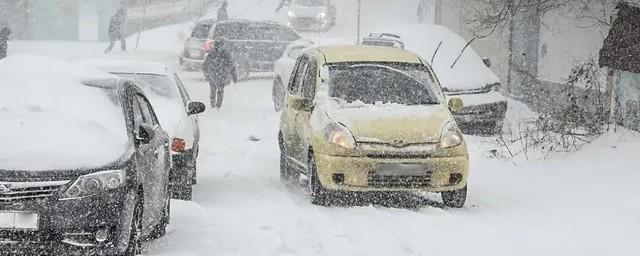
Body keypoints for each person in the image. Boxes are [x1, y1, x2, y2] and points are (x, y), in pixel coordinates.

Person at [202, 38, 237, 109]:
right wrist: (234, 75)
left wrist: (207, 74)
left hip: (214, 74)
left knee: (213, 90)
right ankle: (218, 106)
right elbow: (231, 65)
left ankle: (213, 106)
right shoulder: (225, 53)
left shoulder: (213, 52)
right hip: (221, 74)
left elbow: (205, 65)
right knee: (220, 91)